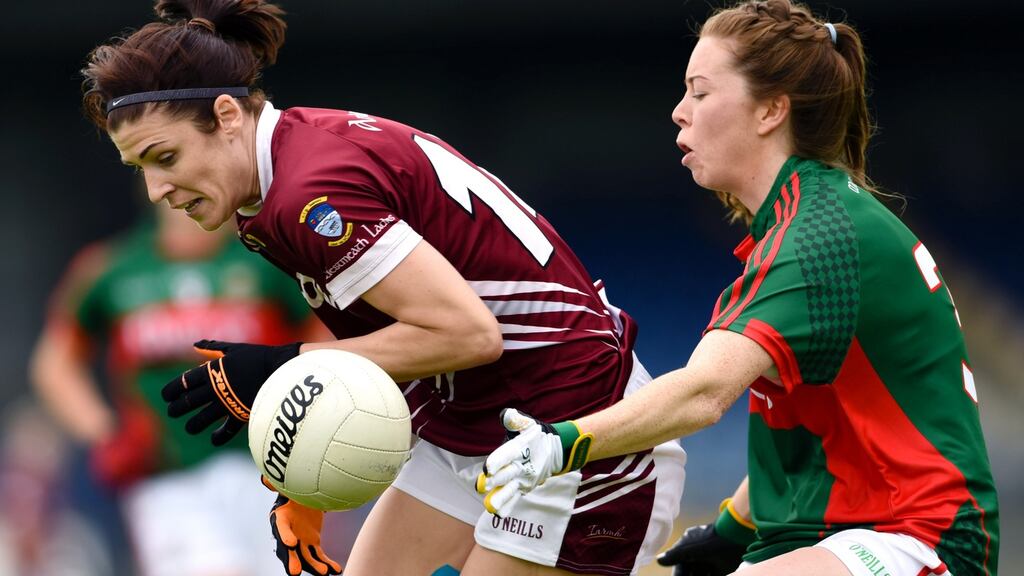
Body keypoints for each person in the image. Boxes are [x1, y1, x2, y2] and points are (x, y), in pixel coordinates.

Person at [78, 1, 687, 575]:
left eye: (165, 157)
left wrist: (283, 367)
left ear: (227, 116)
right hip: (477, 425)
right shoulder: (272, 186)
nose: (157, 190)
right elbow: (402, 346)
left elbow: (467, 334)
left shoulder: (309, 195)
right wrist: (303, 479)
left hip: (579, 434)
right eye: (141, 169)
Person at [477, 1, 1000, 575]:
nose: (679, 113)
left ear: (771, 110)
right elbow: (819, 429)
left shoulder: (815, 237)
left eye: (700, 92)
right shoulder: (808, 222)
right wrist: (731, 531)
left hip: (914, 539)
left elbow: (703, 393)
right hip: (851, 535)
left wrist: (560, 443)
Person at [30, 204, 325, 576]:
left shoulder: (270, 262)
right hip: (168, 474)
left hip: (270, 467)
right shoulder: (112, 268)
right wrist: (104, 433)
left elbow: (324, 345)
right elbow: (54, 364)